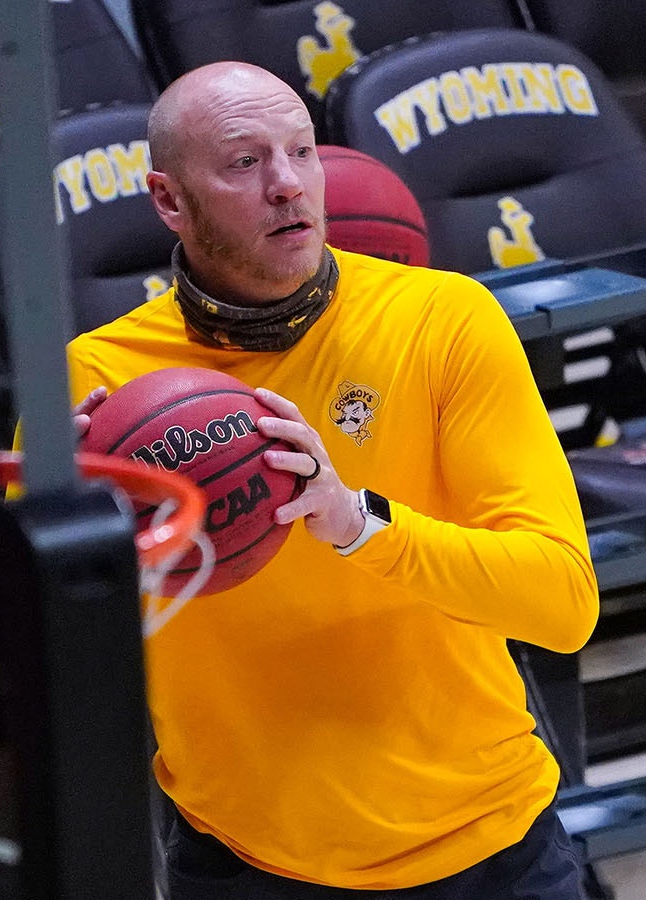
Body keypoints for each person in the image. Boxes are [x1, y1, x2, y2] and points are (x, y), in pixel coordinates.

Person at [68, 61, 599, 898]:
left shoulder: (442, 319)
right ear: (169, 199)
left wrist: (361, 525)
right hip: (250, 867)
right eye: (245, 163)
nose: (288, 186)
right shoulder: (97, 391)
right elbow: (10, 684)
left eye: (302, 152)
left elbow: (564, 607)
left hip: (493, 852)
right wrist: (75, 556)